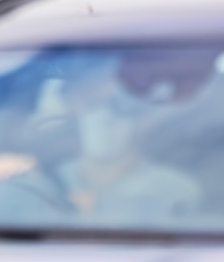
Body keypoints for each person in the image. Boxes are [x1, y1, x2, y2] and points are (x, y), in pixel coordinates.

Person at [58, 58, 202, 221]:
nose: (104, 115)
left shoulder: (172, 191)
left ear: (144, 117)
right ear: (75, 108)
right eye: (93, 102)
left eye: (121, 104)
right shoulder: (42, 182)